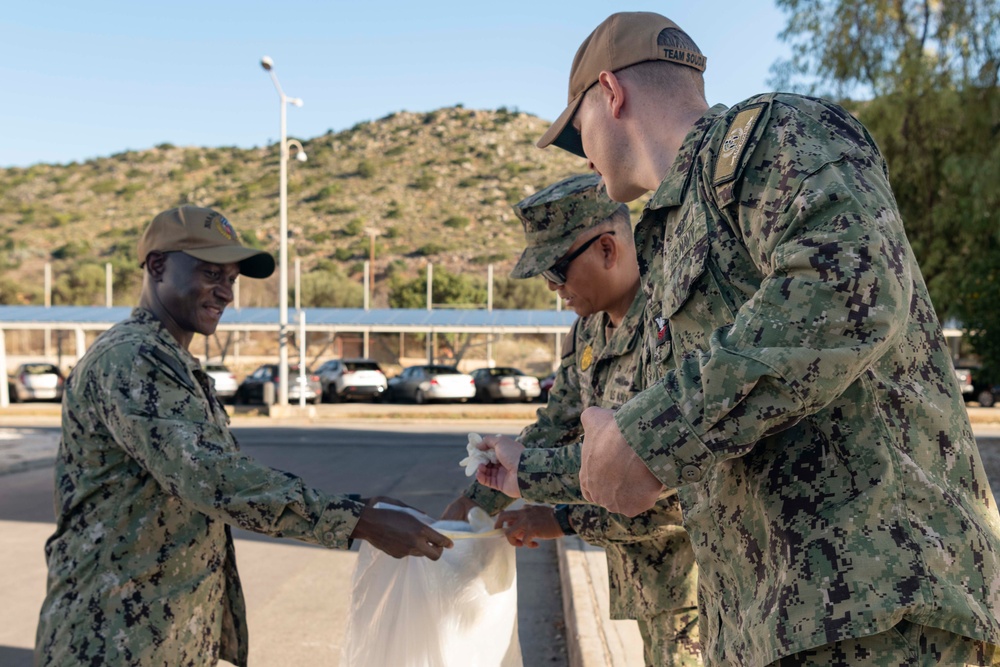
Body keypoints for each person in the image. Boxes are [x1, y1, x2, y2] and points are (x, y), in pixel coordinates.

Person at [481, 11, 1000, 666]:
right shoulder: (678, 225)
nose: (583, 154)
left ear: (611, 94)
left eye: (577, 127)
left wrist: (647, 435)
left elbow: (846, 292)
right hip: (773, 626)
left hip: (879, 614)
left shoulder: (775, 134)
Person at [34, 206, 453, 667]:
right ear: (157, 266)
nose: (225, 292)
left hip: (157, 637)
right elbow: (213, 479)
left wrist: (362, 512)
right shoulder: (133, 358)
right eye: (211, 273)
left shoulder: (170, 359)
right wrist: (356, 519)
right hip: (110, 640)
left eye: (231, 278)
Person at [444, 174, 700, 666]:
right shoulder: (589, 330)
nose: (551, 286)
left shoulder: (679, 320)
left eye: (558, 269)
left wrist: (562, 519)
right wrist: (472, 504)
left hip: (700, 581)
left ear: (608, 249)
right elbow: (555, 425)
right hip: (654, 585)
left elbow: (668, 478)